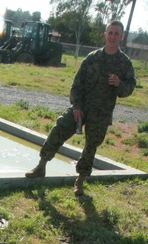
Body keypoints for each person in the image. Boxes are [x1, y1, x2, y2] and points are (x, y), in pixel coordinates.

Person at [24, 20, 136, 196]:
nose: (113, 37)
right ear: (105, 35)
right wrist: (76, 106)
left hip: (101, 113)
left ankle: (80, 181)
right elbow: (76, 85)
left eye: (116, 33)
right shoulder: (92, 58)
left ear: (121, 37)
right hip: (81, 108)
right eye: (110, 32)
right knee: (59, 129)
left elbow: (129, 89)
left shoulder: (124, 63)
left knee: (91, 147)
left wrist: (119, 84)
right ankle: (41, 166)